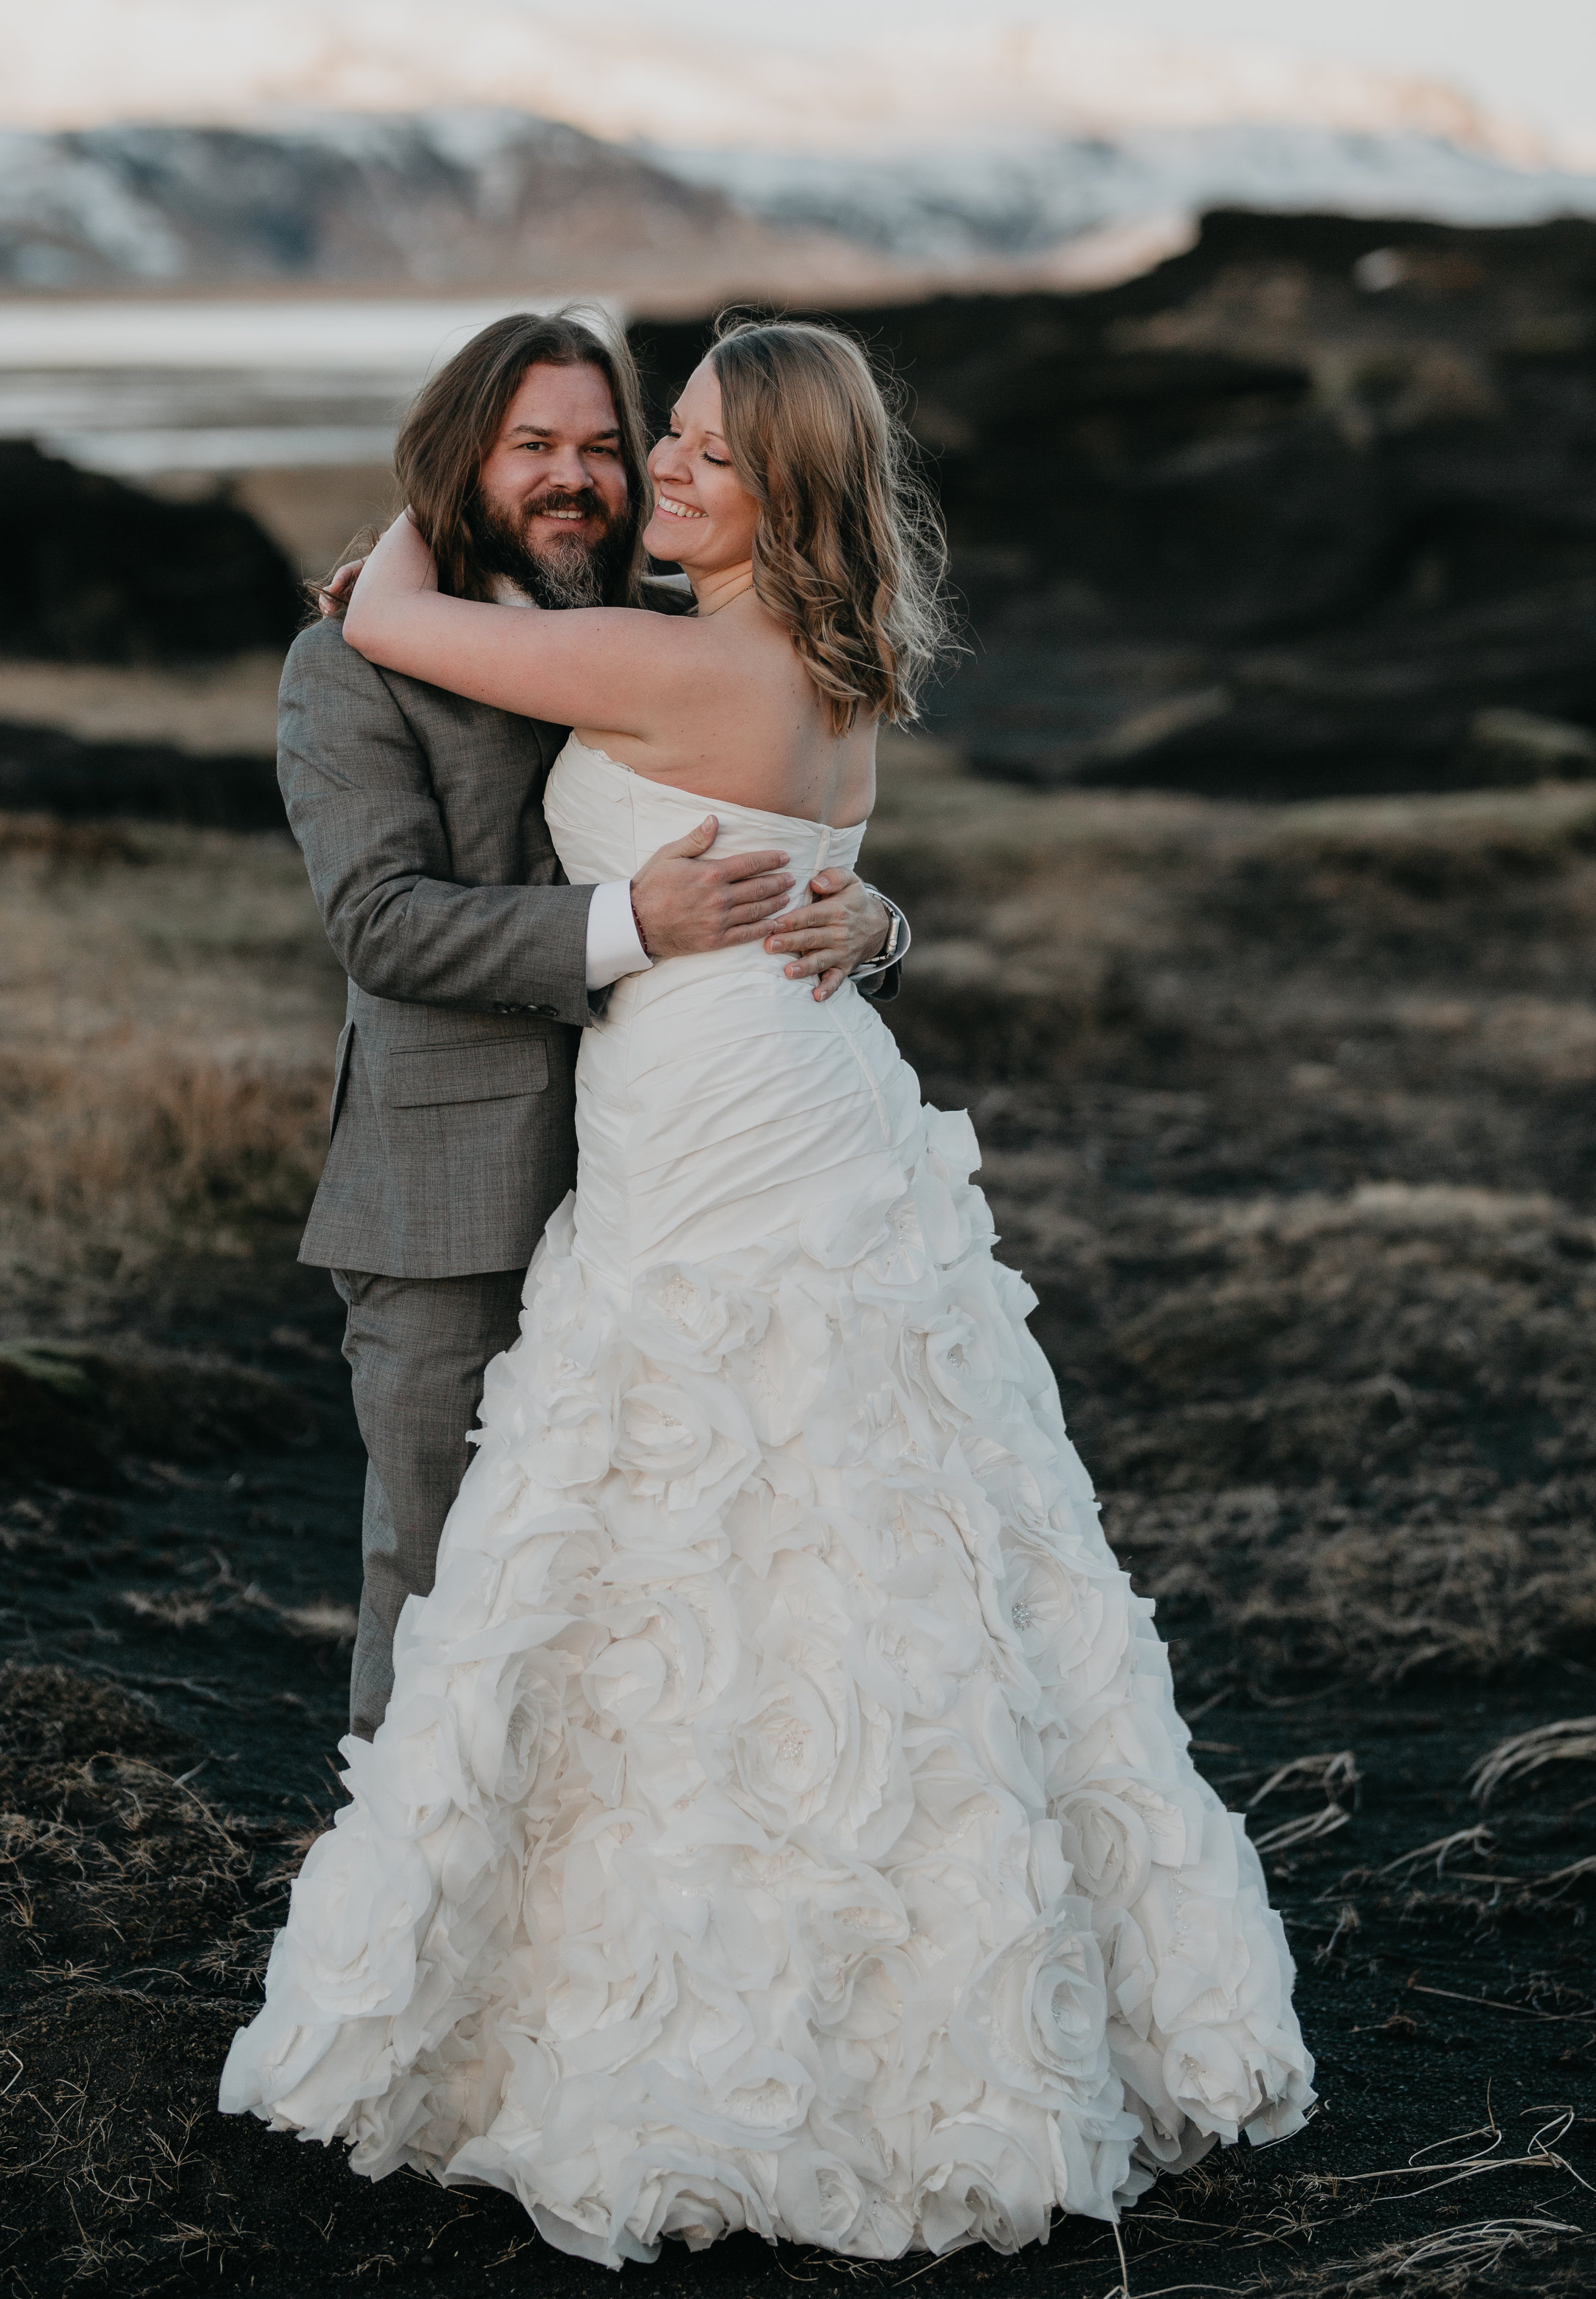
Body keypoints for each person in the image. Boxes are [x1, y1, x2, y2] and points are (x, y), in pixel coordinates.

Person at [224, 318, 1313, 2267]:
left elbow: (404, 611)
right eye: (657, 442)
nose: (652, 473)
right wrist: (869, 917)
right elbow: (733, 854)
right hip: (784, 1112)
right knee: (855, 1534)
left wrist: (387, 553)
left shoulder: (660, 652)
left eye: (693, 452)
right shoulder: (821, 661)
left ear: (788, 488)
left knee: (678, 1530)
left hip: (715, 1131)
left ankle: (661, 1978)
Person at [277, 311, 902, 1744]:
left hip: (667, 1185)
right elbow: (380, 924)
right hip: (458, 1203)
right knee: (444, 1581)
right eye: (531, 447)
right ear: (463, 459)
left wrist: (875, 921)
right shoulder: (348, 665)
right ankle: (405, 1915)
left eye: (606, 448)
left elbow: (769, 846)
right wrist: (634, 925)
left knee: (650, 1576)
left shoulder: (661, 637)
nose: (578, 478)